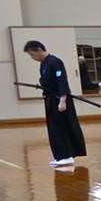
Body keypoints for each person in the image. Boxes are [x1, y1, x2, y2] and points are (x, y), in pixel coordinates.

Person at [24, 40, 87, 168]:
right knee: (54, 129)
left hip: (60, 99)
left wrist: (63, 100)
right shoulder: (43, 64)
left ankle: (67, 156)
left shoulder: (55, 62)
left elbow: (62, 81)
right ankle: (61, 156)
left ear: (39, 50)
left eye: (32, 54)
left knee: (62, 127)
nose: (32, 58)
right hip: (51, 99)